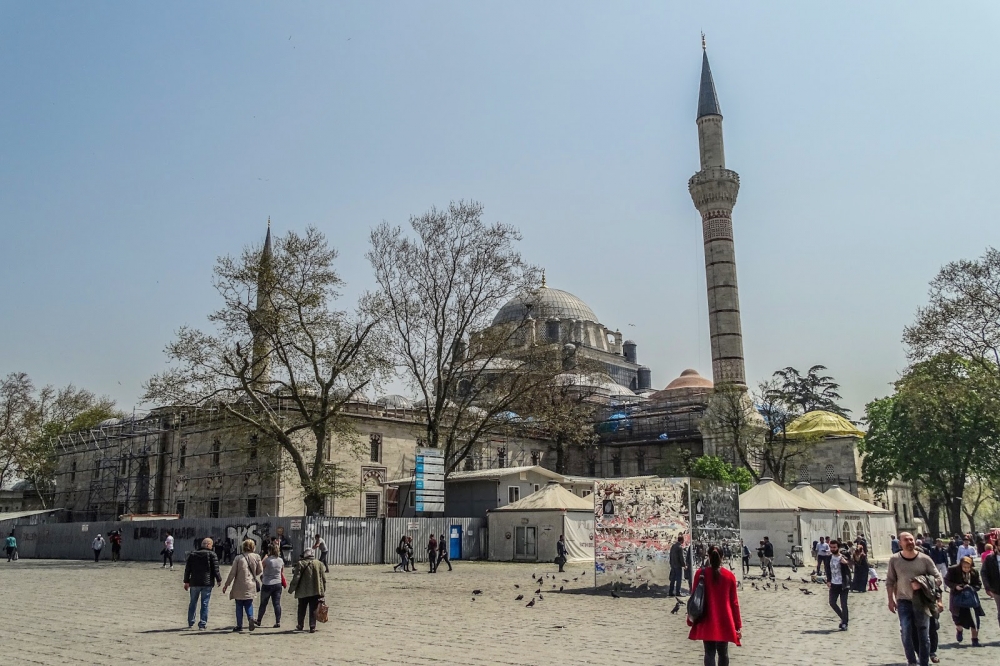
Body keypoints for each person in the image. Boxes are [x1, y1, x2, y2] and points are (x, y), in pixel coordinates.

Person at [887, 532, 944, 666]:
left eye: (911, 539)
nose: (909, 542)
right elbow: (890, 581)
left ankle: (924, 662)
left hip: (922, 602)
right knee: (906, 632)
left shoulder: (925, 559)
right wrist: (890, 600)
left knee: (924, 634)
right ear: (900, 543)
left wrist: (923, 582)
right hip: (903, 601)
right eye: (906, 540)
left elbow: (938, 579)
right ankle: (911, 661)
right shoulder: (895, 560)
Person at [687, 545, 742, 666]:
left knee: (709, 653)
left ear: (708, 557)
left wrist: (690, 619)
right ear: (722, 557)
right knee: (723, 653)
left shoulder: (700, 574)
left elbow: (694, 598)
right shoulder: (729, 576)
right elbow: (734, 603)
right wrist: (737, 624)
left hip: (706, 618)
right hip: (725, 619)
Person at [223, 539, 263, 632]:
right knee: (249, 603)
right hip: (251, 583)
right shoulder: (257, 557)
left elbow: (232, 573)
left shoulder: (238, 558)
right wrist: (254, 574)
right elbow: (260, 570)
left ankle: (239, 625)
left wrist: (227, 584)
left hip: (239, 584)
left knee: (239, 605)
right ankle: (250, 618)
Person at [184, 537, 222, 629]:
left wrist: (186, 581)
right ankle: (202, 623)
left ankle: (190, 622)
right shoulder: (212, 554)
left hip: (194, 582)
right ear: (209, 545)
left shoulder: (192, 554)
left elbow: (187, 569)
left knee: (193, 602)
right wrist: (219, 579)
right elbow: (215, 569)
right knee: (205, 603)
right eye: (211, 545)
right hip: (207, 583)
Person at [945, 556, 985, 646]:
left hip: (970, 598)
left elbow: (978, 584)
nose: (966, 569)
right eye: (964, 567)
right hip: (957, 598)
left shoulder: (974, 572)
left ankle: (975, 640)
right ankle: (959, 630)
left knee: (974, 620)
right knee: (958, 619)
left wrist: (972, 588)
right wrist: (955, 586)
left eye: (968, 567)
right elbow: (947, 580)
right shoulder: (953, 570)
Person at [288, 547, 326, 633]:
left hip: (303, 591)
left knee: (301, 608)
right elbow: (323, 579)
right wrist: (323, 591)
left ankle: (300, 625)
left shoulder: (301, 563)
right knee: (313, 608)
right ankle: (312, 626)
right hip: (315, 591)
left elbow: (296, 578)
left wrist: (291, 589)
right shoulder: (319, 563)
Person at [825, 539, 853, 630]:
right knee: (832, 602)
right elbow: (827, 570)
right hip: (833, 584)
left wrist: (846, 563)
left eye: (834, 547)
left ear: (838, 547)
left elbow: (852, 565)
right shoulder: (828, 558)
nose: (832, 549)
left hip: (843, 584)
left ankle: (844, 623)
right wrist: (828, 580)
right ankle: (844, 619)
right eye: (831, 547)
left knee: (843, 604)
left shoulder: (843, 557)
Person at [257, 543, 285, 628]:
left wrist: (264, 558)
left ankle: (259, 620)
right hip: (277, 583)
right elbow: (281, 572)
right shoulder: (280, 560)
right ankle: (278, 621)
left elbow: (260, 567)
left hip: (267, 583)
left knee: (263, 603)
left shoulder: (267, 560)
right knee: (276, 603)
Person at [981, 542, 1000, 631]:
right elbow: (984, 572)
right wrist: (987, 587)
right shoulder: (990, 558)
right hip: (996, 589)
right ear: (996, 546)